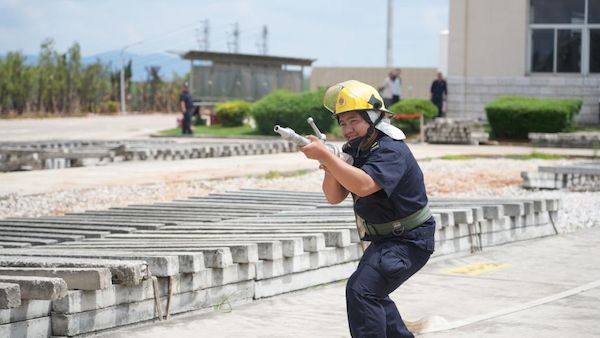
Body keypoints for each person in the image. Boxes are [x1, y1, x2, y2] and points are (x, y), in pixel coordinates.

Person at [299, 80, 435, 337]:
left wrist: (328, 157)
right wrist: (330, 162)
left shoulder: (390, 150)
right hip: (387, 239)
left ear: (373, 118)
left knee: (362, 290)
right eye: (342, 123)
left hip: (410, 240)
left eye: (354, 121)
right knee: (372, 293)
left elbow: (364, 185)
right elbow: (334, 196)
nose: (348, 129)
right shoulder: (355, 150)